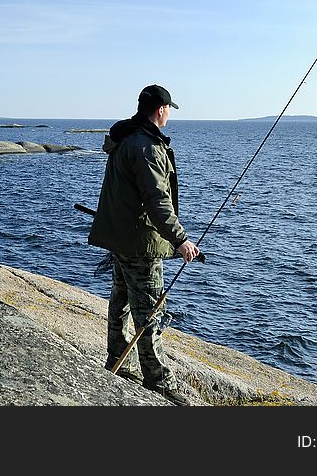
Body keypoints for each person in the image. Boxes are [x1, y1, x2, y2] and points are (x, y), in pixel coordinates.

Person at [88, 84, 199, 406]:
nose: (168, 115)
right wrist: (180, 240)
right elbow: (157, 201)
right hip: (141, 242)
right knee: (149, 311)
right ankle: (158, 381)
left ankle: (117, 361)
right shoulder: (147, 147)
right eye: (168, 110)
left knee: (121, 300)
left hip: (121, 239)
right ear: (162, 109)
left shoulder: (125, 138)